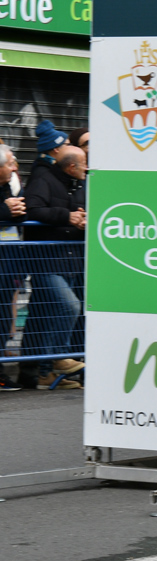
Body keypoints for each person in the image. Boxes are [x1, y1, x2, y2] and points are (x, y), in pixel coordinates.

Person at [22, 146, 88, 389]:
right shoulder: (43, 180)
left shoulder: (80, 185)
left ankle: (45, 373)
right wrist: (67, 217)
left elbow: (80, 213)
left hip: (72, 261)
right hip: (47, 261)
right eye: (84, 162)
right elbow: (33, 210)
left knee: (50, 315)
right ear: (71, 167)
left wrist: (83, 219)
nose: (88, 167)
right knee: (70, 305)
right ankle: (60, 357)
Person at [0, 145, 25, 391]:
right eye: (10, 164)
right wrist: (5, 210)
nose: (15, 168)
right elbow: (7, 211)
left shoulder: (10, 185)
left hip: (7, 264)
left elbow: (22, 211)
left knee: (4, 316)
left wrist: (15, 211)